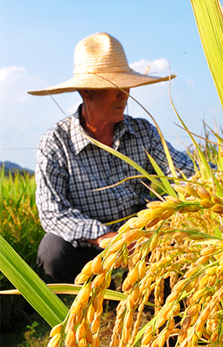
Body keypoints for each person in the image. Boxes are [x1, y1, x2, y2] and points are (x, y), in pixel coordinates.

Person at [29, 32, 194, 283]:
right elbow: (52, 211)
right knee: (53, 251)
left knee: (178, 237)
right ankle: (87, 301)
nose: (124, 94)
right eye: (114, 87)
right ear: (87, 91)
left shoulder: (142, 132)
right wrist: (106, 237)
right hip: (87, 239)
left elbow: (184, 172)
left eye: (125, 86)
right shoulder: (56, 142)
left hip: (139, 231)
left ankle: (157, 299)